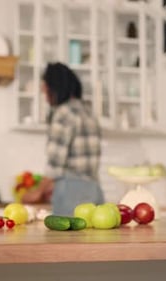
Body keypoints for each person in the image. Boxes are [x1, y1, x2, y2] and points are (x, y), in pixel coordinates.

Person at [21, 62, 105, 215]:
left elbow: (55, 165)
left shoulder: (63, 113)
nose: (46, 97)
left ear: (55, 88)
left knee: (66, 238)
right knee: (94, 237)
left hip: (71, 194)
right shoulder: (88, 112)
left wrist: (37, 192)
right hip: (94, 190)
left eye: (46, 91)